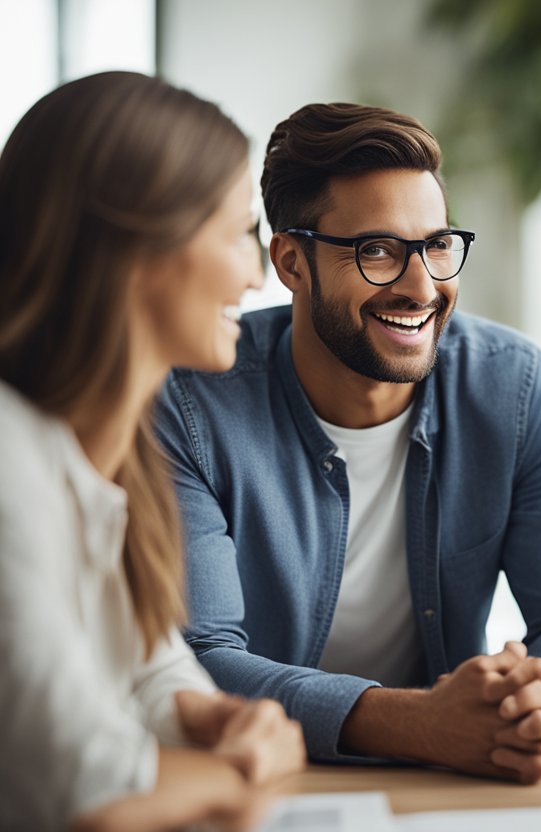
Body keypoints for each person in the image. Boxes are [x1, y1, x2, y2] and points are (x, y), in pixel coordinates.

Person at [153, 102, 541, 783]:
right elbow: (198, 658)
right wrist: (420, 723)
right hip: (265, 785)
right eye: (378, 250)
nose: (422, 286)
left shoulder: (511, 386)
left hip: (453, 779)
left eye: (437, 245)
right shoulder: (191, 402)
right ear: (291, 262)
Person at [0, 72, 305, 831]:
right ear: (141, 242)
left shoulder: (112, 457)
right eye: (238, 231)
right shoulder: (8, 460)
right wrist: (229, 777)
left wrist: (212, 719)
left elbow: (148, 671)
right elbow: (92, 790)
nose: (256, 270)